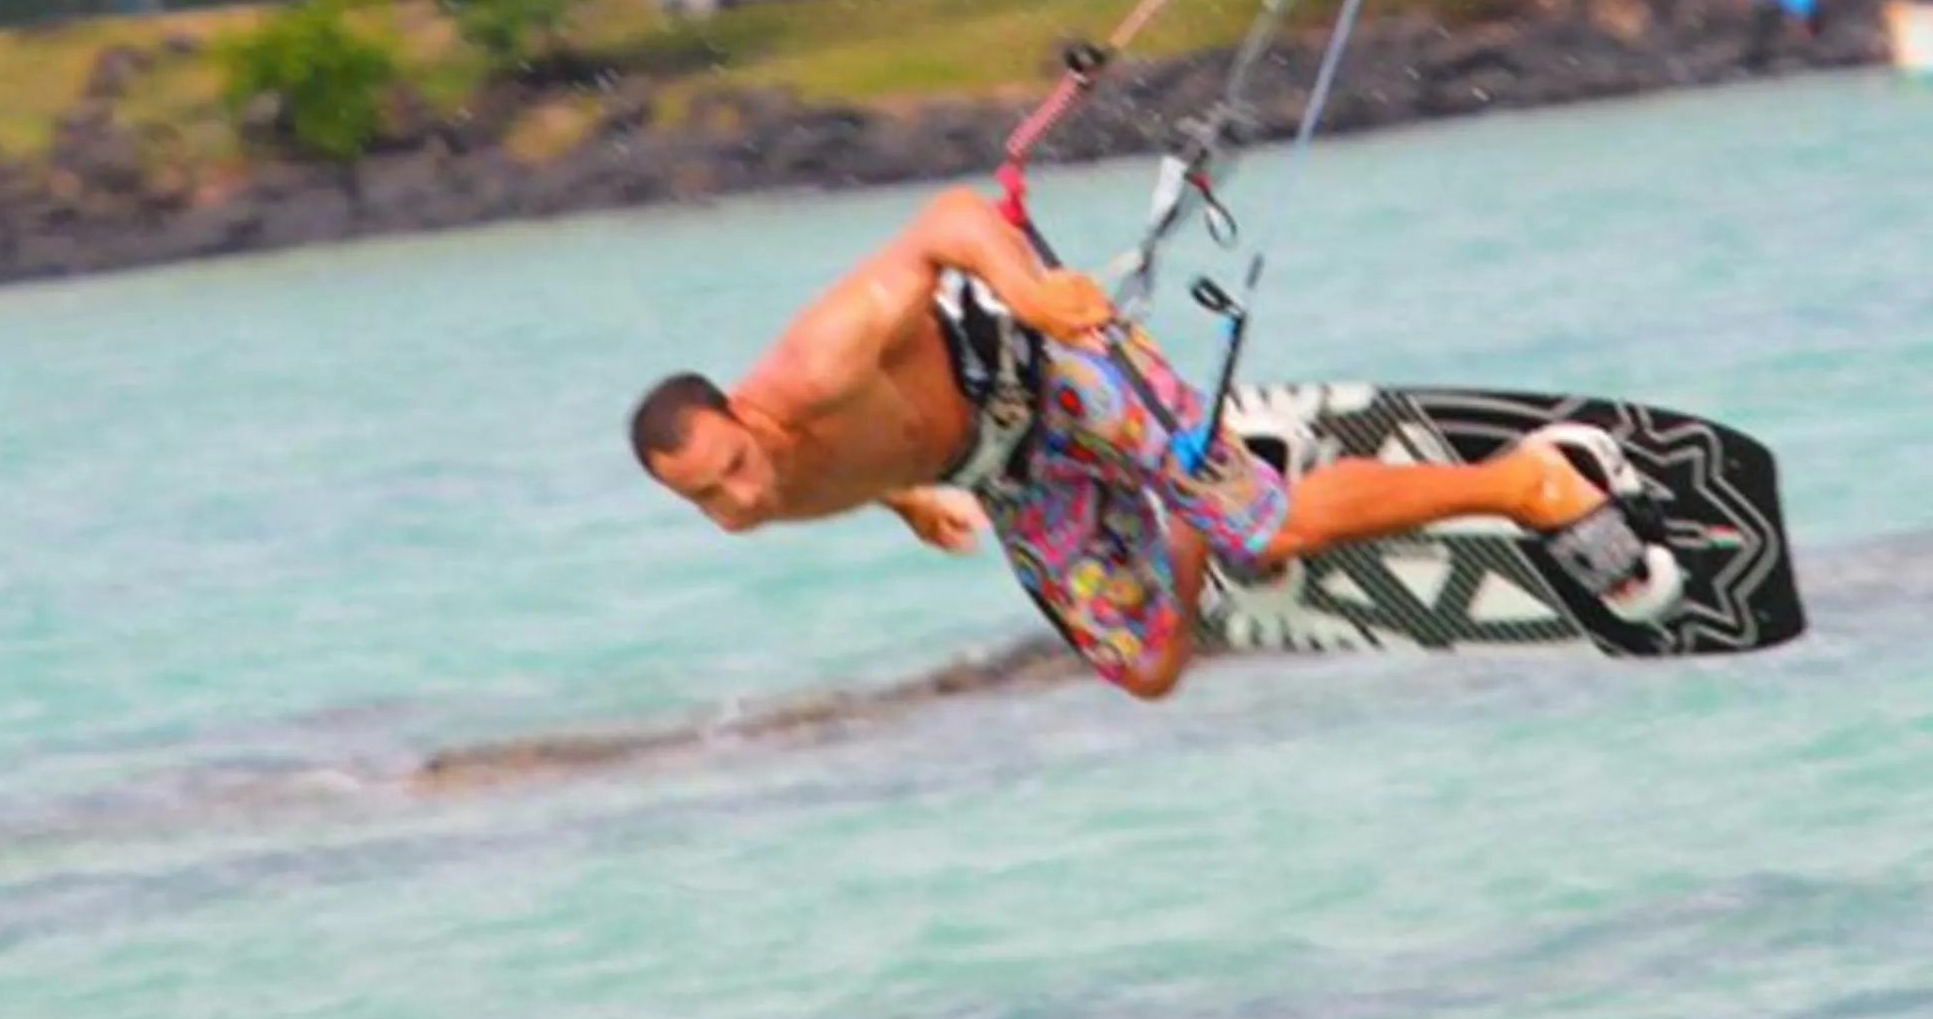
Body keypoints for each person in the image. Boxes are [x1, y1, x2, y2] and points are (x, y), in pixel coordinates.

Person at [629, 185, 1680, 698]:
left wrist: (1027, 291)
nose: (738, 499)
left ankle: (1530, 481)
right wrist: (903, 494)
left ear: (746, 415)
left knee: (1265, 529)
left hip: (1051, 365)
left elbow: (946, 220)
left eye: (734, 468)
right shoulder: (754, 500)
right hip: (1002, 468)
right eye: (706, 499)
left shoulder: (818, 363)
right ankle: (1200, 512)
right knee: (1145, 666)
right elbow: (847, 464)